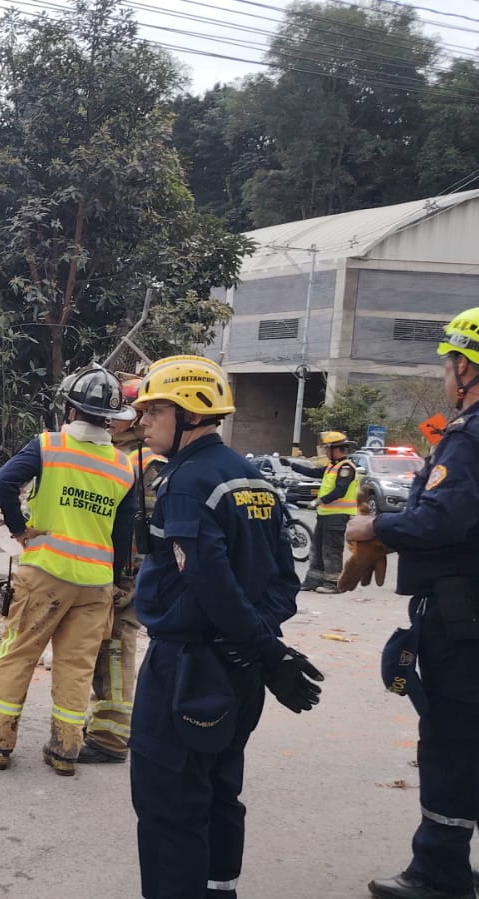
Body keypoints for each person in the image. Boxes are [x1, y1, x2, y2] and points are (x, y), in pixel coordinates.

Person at [343, 307, 479, 899]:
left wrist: (375, 527)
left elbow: (442, 520)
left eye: (449, 359)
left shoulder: (476, 434)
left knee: (451, 740)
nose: (445, 369)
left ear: (469, 365)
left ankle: (439, 873)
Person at [128, 355, 322, 898]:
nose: (144, 422)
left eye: (154, 410)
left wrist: (260, 646)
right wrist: (263, 648)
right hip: (237, 671)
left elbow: (209, 585)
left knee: (169, 800)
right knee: (218, 791)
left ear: (189, 412)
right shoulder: (250, 476)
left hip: (190, 666)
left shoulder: (187, 483)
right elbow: (287, 577)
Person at [0, 363, 137, 776]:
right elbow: (124, 534)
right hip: (95, 585)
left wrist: (20, 530)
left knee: (17, 655)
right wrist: (119, 578)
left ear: (70, 410)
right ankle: (65, 752)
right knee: (76, 667)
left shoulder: (48, 446)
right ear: (110, 419)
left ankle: (0, 744)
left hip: (45, 572)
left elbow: (4, 481)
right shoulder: (125, 467)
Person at [79, 376, 165, 765]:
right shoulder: (128, 456)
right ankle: (108, 726)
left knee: (114, 647)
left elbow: (133, 525)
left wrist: (120, 579)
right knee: (108, 647)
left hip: (124, 573)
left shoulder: (140, 462)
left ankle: (110, 736)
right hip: (120, 569)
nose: (107, 420)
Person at [292, 431, 358, 594]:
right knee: (318, 547)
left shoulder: (346, 468)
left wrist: (319, 501)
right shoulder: (332, 466)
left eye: (327, 449)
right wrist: (291, 465)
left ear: (336, 449)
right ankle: (313, 580)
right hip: (325, 515)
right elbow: (313, 472)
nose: (326, 452)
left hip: (337, 516)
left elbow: (340, 491)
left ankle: (333, 583)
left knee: (331, 549)